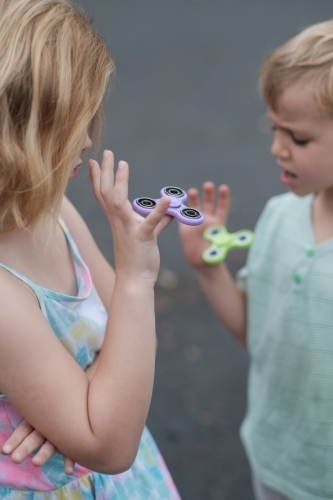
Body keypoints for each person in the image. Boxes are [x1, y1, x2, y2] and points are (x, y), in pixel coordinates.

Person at [0, 1, 181, 498]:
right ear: (17, 132)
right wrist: (137, 280)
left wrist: (79, 399)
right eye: (72, 123)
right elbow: (110, 444)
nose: (86, 141)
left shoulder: (50, 210)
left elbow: (133, 339)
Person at [179, 19, 333, 500]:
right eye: (274, 129)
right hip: (274, 459)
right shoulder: (279, 218)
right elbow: (257, 332)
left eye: (298, 139)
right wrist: (208, 270)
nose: (275, 148)